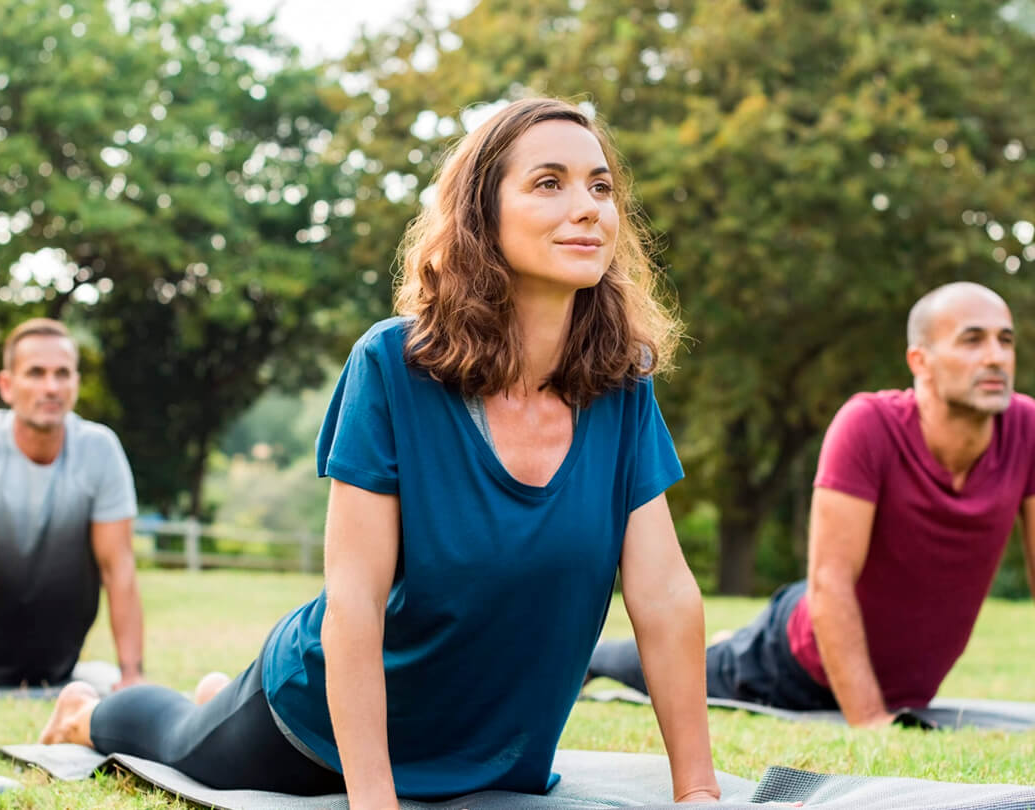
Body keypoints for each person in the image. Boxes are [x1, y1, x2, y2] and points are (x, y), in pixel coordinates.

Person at [37, 97, 720, 805]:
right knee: (178, 736)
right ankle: (86, 711)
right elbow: (355, 602)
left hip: (487, 748)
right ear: (482, 216)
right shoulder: (393, 366)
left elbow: (665, 594)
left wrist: (696, 793)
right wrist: (373, 800)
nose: (587, 207)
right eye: (549, 183)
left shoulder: (620, 386)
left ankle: (212, 690)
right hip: (316, 728)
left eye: (600, 186)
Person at [587, 282, 1035, 727]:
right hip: (796, 662)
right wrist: (871, 720)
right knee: (701, 671)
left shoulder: (1027, 429)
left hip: (899, 679)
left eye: (1005, 340)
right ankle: (594, 658)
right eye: (973, 340)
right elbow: (831, 581)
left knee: (720, 650)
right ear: (920, 360)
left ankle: (728, 641)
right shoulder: (869, 425)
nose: (996, 357)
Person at [0, 318, 144, 699]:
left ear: (75, 383)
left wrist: (132, 674)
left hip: (58, 666)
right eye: (36, 373)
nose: (51, 387)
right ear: (7, 386)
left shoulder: (100, 449)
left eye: (63, 374)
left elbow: (118, 566)